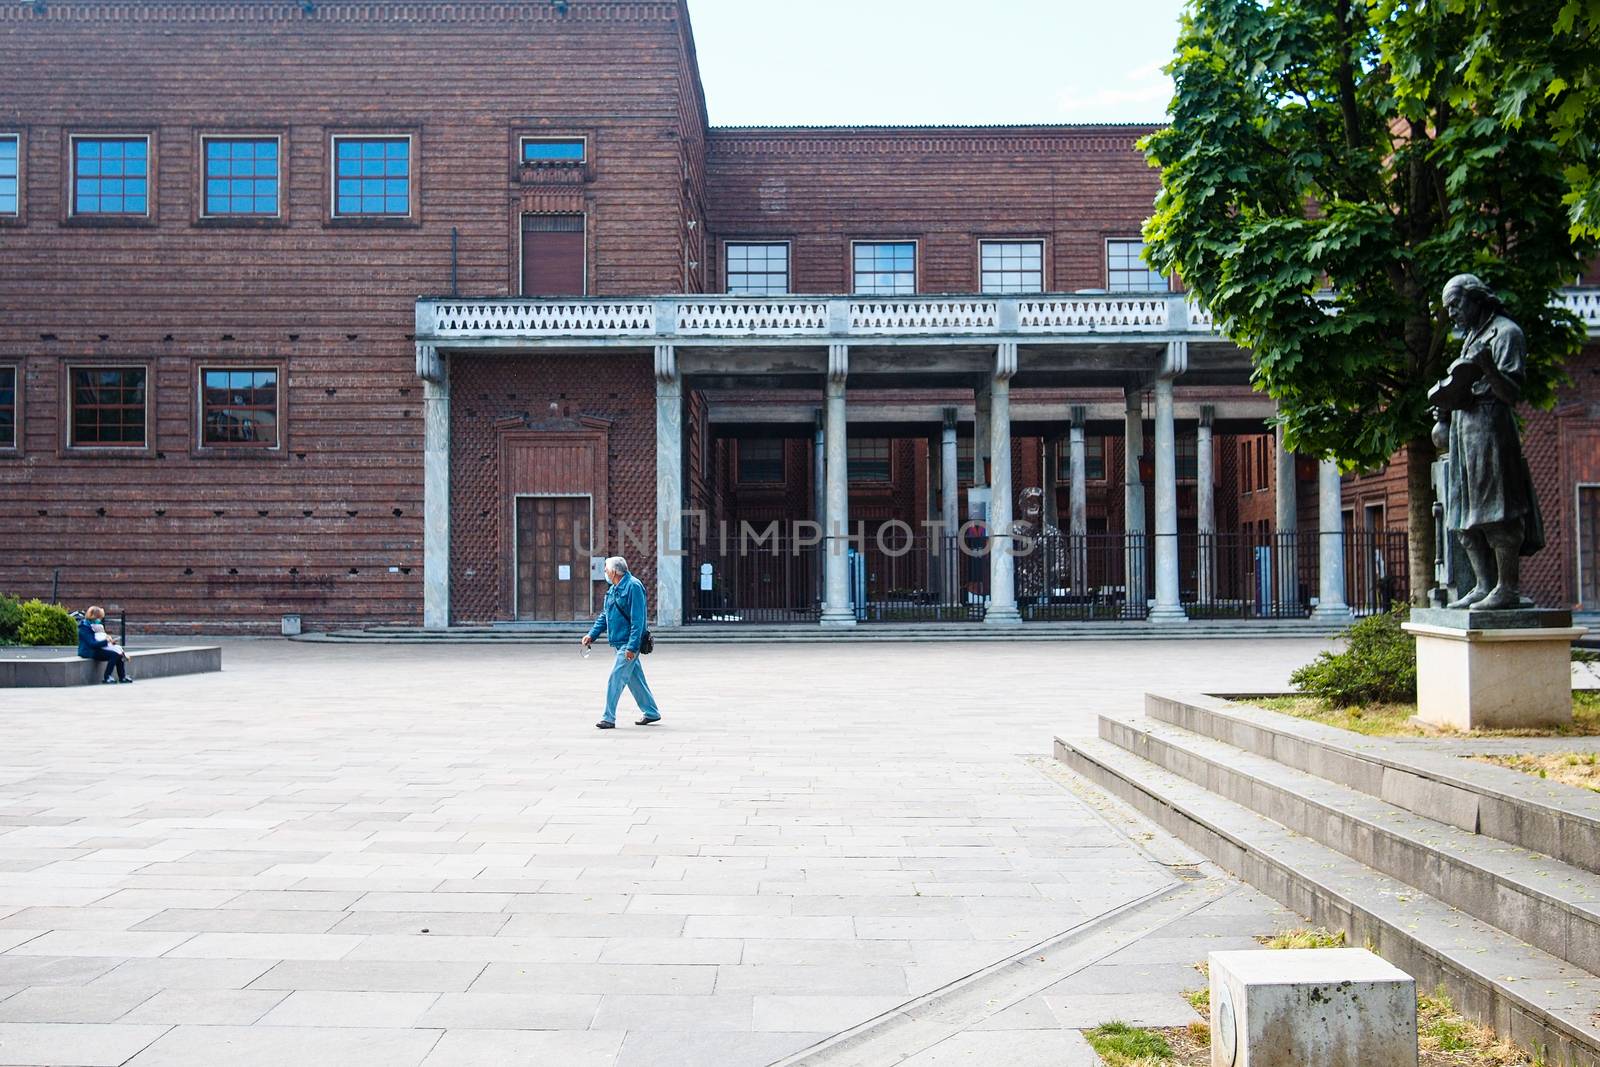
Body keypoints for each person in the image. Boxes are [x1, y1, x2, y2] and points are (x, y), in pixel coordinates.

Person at [1428, 274, 1546, 610]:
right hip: (1465, 433)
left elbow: (1511, 393)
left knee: (1498, 511)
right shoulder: (1471, 337)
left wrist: (1488, 366)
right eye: (1448, 308)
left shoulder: (1507, 333)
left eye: (1455, 305)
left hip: (1493, 432)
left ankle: (1507, 587)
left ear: (1476, 298)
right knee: (1463, 516)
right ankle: (1483, 585)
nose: (1452, 314)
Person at [580, 556, 661, 730]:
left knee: (615, 678)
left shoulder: (633, 586)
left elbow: (638, 620)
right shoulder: (613, 589)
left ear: (615, 571)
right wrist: (592, 634)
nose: (605, 573)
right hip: (619, 642)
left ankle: (608, 717)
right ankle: (651, 712)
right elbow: (605, 615)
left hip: (628, 643)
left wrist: (632, 647)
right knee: (636, 680)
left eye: (606, 570)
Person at [77, 605, 131, 684]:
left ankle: (122, 676)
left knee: (119, 654)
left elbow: (99, 639)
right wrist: (106, 642)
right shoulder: (85, 628)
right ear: (94, 617)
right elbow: (92, 644)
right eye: (99, 618)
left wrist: (109, 642)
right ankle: (107, 677)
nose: (100, 620)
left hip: (96, 649)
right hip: (88, 651)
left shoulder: (95, 626)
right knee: (113, 655)